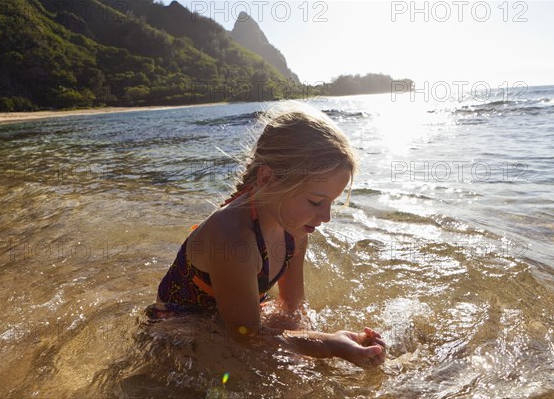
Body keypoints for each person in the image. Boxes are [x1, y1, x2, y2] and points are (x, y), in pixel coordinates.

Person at [153, 104, 386, 368]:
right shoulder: (232, 239)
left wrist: (324, 351)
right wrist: (329, 345)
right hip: (179, 333)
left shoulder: (295, 230)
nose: (326, 216)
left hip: (230, 321)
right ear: (267, 178)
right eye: (315, 201)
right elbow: (245, 336)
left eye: (331, 202)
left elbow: (292, 307)